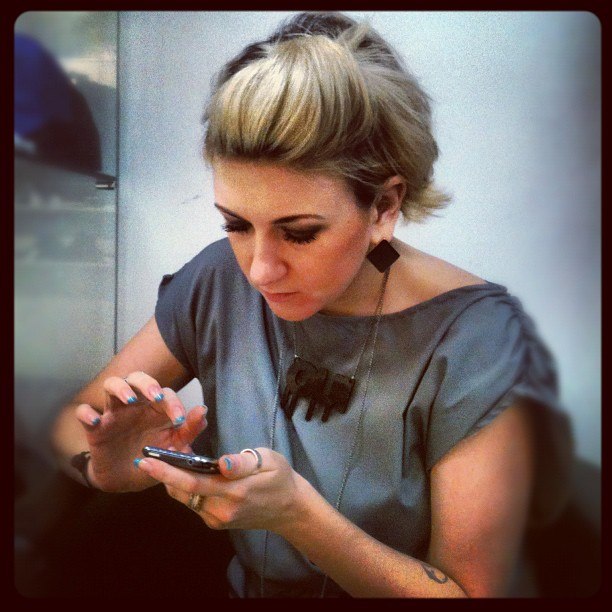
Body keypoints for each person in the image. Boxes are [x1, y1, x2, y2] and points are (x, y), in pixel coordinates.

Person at [51, 12, 573, 598]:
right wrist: (108, 468)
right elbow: (72, 421)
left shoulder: (478, 336)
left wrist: (297, 514)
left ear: (384, 207)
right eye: (236, 224)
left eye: (299, 233)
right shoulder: (219, 277)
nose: (259, 270)